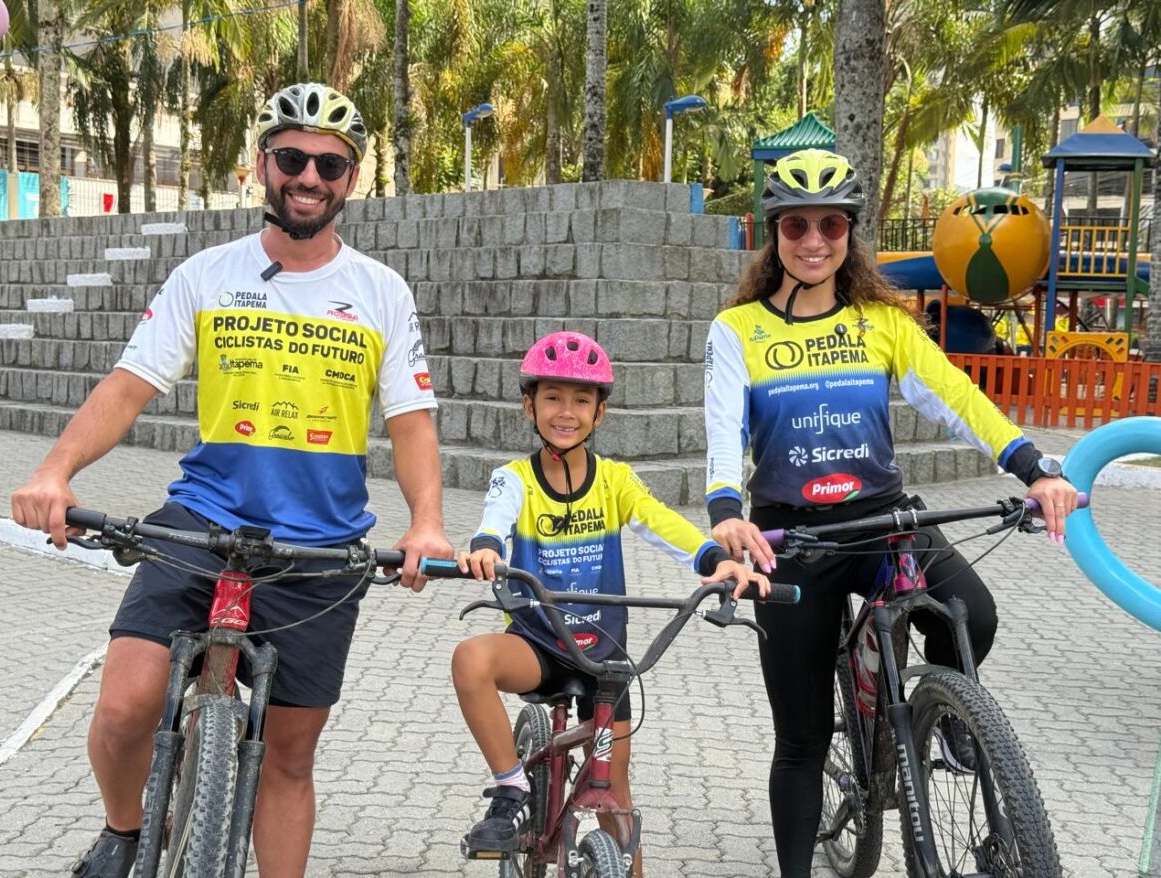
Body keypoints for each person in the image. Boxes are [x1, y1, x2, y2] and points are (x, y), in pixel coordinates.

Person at [10, 82, 453, 878]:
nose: (309, 177)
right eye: (293, 158)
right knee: (123, 710)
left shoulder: (381, 292)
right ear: (262, 164)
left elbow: (412, 421)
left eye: (329, 165)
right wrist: (54, 471)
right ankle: (124, 830)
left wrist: (426, 523)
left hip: (321, 546)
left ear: (351, 180)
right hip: (201, 521)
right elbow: (128, 388)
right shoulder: (207, 274)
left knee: (287, 758)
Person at [702, 148, 1078, 878]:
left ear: (850, 232)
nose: (815, 240)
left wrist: (1034, 468)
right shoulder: (737, 328)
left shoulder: (882, 320)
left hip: (883, 521)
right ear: (774, 234)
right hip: (792, 537)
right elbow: (723, 430)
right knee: (802, 740)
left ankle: (948, 711)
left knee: (973, 613)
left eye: (831, 225)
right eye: (797, 225)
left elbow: (954, 396)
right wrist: (725, 513)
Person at [452, 331, 771, 873]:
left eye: (581, 400)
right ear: (529, 406)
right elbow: (494, 524)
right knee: (470, 660)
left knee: (615, 796)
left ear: (599, 412)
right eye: (553, 397)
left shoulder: (616, 481)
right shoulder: (514, 480)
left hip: (604, 658)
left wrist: (715, 560)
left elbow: (660, 521)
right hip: (537, 644)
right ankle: (511, 789)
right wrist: (486, 550)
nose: (566, 412)